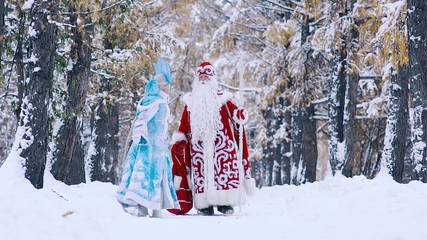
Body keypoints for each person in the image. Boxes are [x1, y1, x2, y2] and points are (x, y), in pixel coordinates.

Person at [170, 61, 256, 216]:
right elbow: (183, 124)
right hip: (199, 147)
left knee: (223, 172)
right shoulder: (190, 101)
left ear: (213, 79)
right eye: (201, 77)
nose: (203, 80)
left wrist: (241, 115)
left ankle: (226, 203)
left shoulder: (223, 98)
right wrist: (180, 140)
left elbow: (236, 115)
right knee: (201, 174)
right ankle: (204, 205)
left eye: (206, 77)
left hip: (222, 146)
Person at [117, 58, 179, 217]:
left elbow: (161, 126)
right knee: (146, 176)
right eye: (167, 85)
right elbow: (141, 122)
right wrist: (141, 139)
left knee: (158, 176)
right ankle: (142, 207)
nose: (169, 88)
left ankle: (156, 207)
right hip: (148, 147)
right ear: (162, 87)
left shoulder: (162, 103)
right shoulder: (155, 103)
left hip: (159, 147)